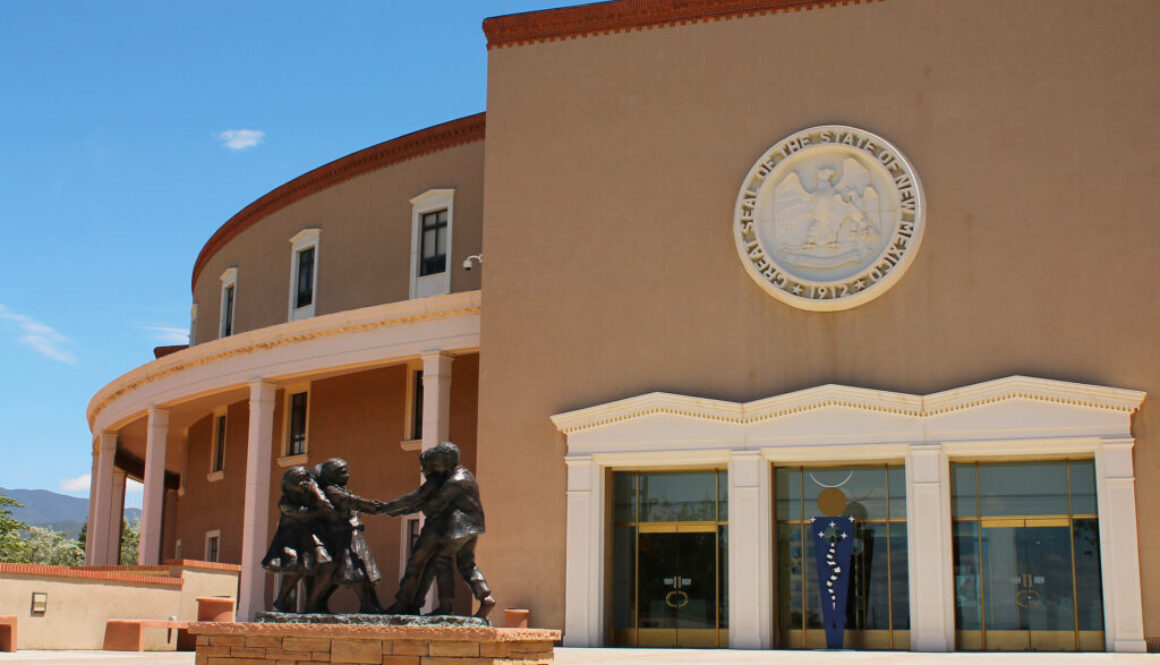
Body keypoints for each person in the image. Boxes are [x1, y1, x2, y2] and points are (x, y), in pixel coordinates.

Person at [383, 441, 495, 618]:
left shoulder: (455, 481)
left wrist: (391, 507)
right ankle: (486, 597)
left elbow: (431, 503)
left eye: (437, 463)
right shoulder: (466, 474)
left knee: (441, 559)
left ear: (447, 460)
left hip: (459, 528)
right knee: (467, 564)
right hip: (472, 529)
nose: (435, 466)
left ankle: (446, 606)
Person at [314, 457, 388, 613]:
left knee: (354, 571)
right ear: (331, 474)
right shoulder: (331, 491)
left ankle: (370, 604)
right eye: (342, 472)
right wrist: (376, 507)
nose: (347, 475)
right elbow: (352, 502)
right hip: (342, 537)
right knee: (356, 569)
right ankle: (367, 604)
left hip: (353, 535)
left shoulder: (340, 489)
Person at [260, 466, 335, 613]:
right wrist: (318, 499)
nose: (306, 483)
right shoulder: (285, 503)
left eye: (307, 479)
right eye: (301, 480)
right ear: (289, 484)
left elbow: (328, 508)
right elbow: (306, 514)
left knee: (328, 567)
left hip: (310, 541)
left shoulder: (310, 497)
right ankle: (281, 600)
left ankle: (312, 603)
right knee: (296, 571)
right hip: (293, 544)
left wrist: (317, 494)